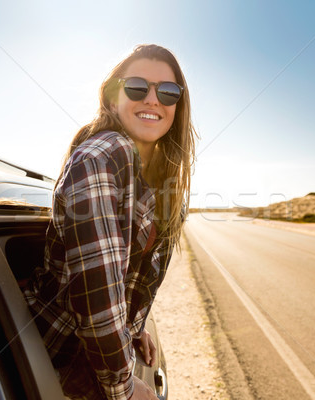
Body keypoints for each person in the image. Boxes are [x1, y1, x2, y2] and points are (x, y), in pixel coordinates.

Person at [25, 44, 196, 400]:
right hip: (59, 365)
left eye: (167, 92)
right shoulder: (102, 156)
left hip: (94, 363)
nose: (152, 100)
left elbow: (128, 277)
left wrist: (133, 326)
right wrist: (125, 388)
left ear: (178, 105)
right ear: (112, 96)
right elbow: (98, 291)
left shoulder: (162, 178)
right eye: (137, 87)